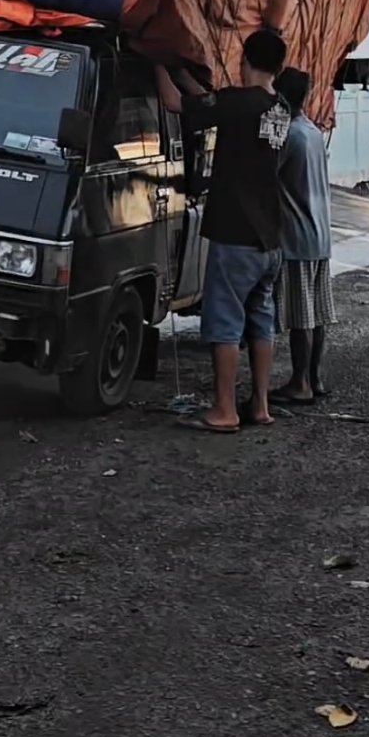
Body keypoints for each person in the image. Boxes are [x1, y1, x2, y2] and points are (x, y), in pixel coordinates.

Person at [157, 28, 291, 434]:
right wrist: (183, 73)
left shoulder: (238, 102)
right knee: (260, 320)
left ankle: (225, 410)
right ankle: (261, 405)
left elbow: (176, 104)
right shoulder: (280, 106)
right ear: (280, 67)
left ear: (243, 60)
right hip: (271, 236)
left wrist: (157, 65)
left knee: (225, 322)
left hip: (236, 232)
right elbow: (208, 100)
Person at [269, 66, 335, 405]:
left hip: (297, 237)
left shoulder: (289, 135)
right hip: (321, 234)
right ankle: (314, 377)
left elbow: (266, 175)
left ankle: (299, 383)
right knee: (317, 312)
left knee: (300, 316)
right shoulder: (310, 131)